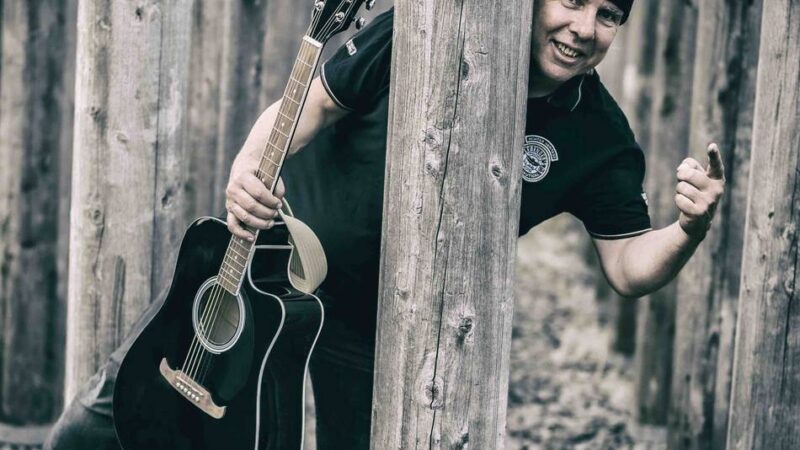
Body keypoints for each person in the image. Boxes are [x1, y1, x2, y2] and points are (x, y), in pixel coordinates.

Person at [46, 1, 726, 449]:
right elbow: (305, 108)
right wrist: (246, 174)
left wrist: (686, 230)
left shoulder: (599, 135)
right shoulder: (417, 29)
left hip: (386, 332)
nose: (584, 27)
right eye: (571, 0)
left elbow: (629, 266)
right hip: (266, 282)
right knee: (93, 429)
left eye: (608, 14)